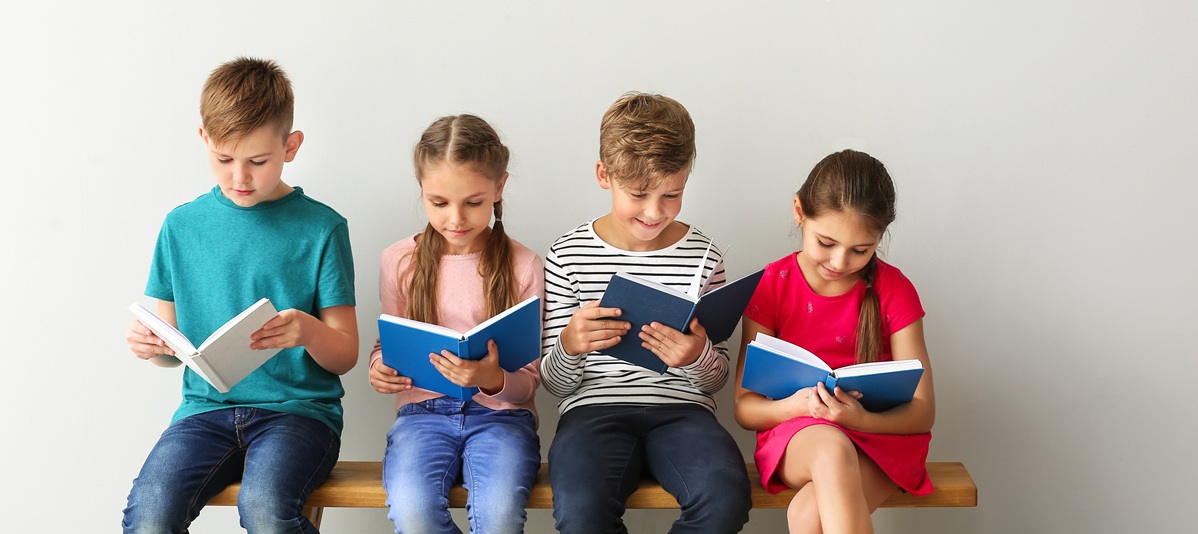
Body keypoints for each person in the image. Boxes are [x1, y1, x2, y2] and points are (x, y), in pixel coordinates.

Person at [121, 57, 359, 533]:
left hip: (298, 415)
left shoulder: (322, 228)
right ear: (204, 139)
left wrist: (308, 330)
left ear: (291, 147)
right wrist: (153, 347)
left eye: (258, 161)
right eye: (225, 160)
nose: (239, 178)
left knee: (267, 508)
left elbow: (345, 355)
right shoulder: (181, 227)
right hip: (204, 413)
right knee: (148, 514)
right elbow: (172, 350)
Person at [541, 92, 752, 534]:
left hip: (685, 411)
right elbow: (555, 385)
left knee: (724, 494)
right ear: (604, 175)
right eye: (639, 194)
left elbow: (716, 380)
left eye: (672, 193)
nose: (655, 211)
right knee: (581, 510)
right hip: (592, 411)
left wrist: (695, 356)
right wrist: (569, 345)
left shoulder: (704, 255)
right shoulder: (567, 255)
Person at [733, 149, 936, 534]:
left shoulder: (895, 289)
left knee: (807, 516)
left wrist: (860, 418)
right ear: (799, 212)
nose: (841, 262)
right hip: (798, 435)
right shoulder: (772, 285)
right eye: (826, 242)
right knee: (830, 448)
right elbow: (745, 409)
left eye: (861, 250)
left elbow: (923, 412)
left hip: (880, 438)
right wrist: (796, 407)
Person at [367, 114, 544, 534]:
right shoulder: (399, 261)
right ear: (422, 191)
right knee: (413, 510)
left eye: (474, 202)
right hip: (421, 415)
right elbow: (386, 346)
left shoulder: (524, 265)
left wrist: (491, 377)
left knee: (499, 515)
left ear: (499, 188)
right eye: (439, 202)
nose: (456, 218)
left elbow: (531, 381)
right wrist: (380, 369)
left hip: (503, 418)